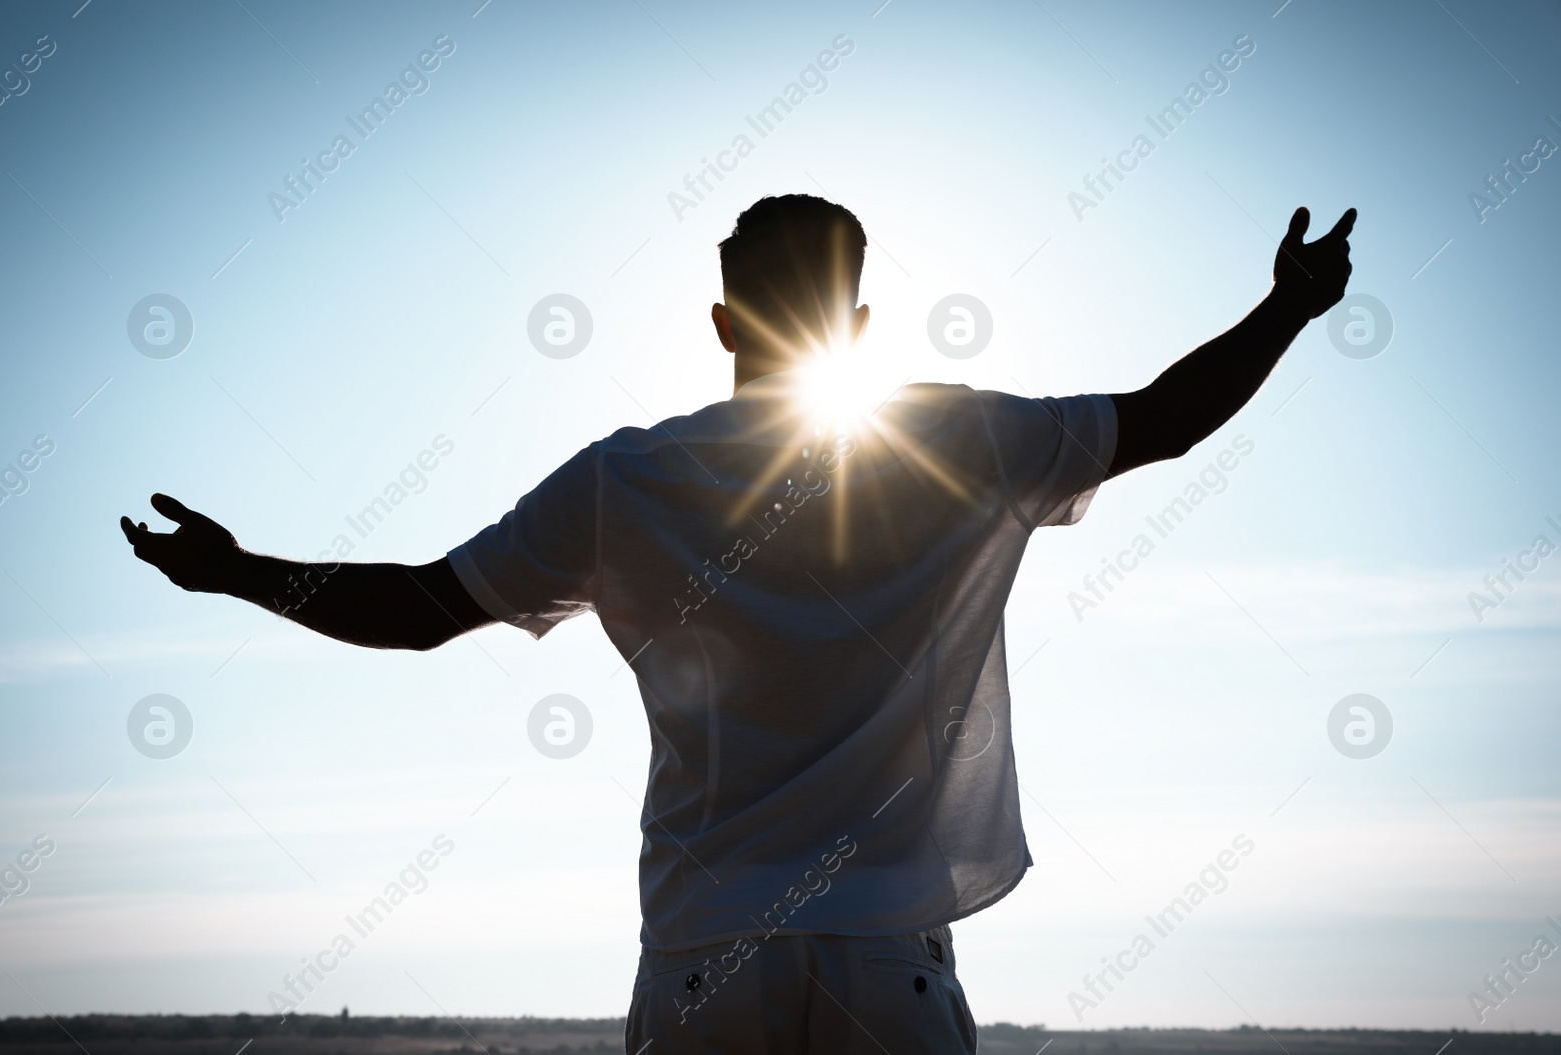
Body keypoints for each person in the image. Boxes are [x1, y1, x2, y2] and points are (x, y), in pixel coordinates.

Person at [122, 194, 1355, 1053]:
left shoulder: (622, 483)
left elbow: (422, 609)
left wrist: (242, 573)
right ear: (859, 328)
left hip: (705, 958)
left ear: (721, 322)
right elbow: (1164, 417)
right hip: (890, 961)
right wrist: (1287, 309)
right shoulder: (964, 441)